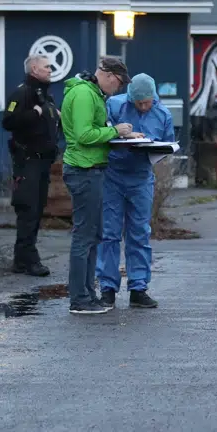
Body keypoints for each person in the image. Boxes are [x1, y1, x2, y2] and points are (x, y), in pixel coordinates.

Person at [61, 56, 138, 315]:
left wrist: (119, 133)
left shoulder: (92, 92)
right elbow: (84, 135)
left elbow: (93, 130)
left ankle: (86, 294)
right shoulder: (84, 95)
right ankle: (79, 298)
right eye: (117, 82)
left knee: (92, 235)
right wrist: (116, 132)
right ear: (105, 74)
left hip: (90, 169)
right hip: (84, 169)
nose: (117, 88)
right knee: (85, 236)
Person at [96, 73, 176, 309]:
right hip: (113, 175)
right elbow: (102, 133)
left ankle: (138, 287)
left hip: (141, 178)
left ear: (154, 98)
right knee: (109, 232)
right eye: (138, 103)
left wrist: (154, 150)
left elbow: (167, 145)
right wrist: (122, 135)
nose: (142, 107)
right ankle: (107, 288)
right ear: (130, 99)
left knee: (139, 233)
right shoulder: (115, 105)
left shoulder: (163, 114)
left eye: (146, 102)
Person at [3, 53, 61, 276]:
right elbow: (8, 121)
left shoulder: (45, 96)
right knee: (28, 209)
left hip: (43, 161)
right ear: (34, 69)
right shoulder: (23, 92)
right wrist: (32, 114)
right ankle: (30, 260)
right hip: (27, 161)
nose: (50, 70)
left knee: (36, 210)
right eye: (46, 66)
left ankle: (21, 259)